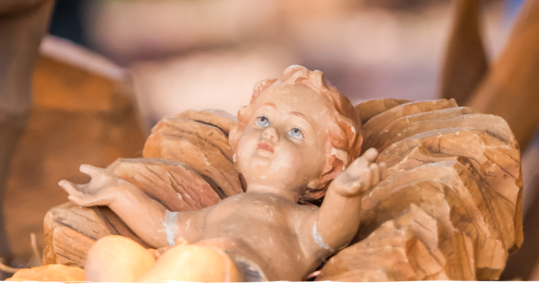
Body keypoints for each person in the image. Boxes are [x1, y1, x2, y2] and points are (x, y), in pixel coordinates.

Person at [60, 67, 385, 284]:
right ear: (236, 140)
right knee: (112, 250)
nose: (271, 134)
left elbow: (332, 231)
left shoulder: (301, 222)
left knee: (193, 263)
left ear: (327, 169)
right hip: (179, 266)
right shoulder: (219, 211)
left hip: (238, 275)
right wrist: (118, 193)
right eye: (262, 120)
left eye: (296, 131)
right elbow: (164, 225)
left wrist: (346, 193)